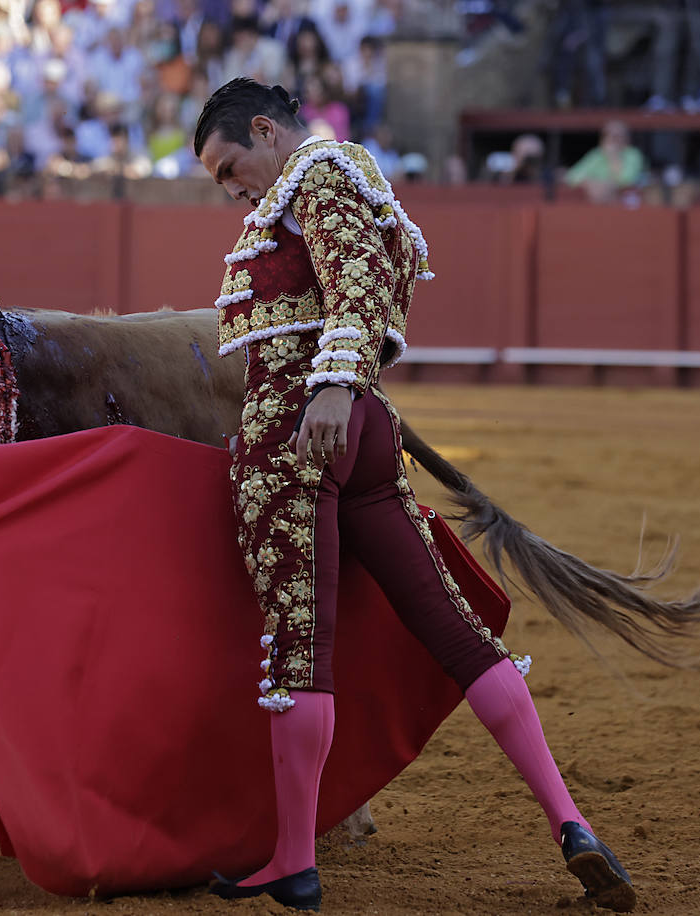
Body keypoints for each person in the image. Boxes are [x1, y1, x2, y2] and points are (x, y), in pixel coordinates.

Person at [193, 77, 636, 913]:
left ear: (265, 129)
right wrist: (346, 389)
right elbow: (363, 289)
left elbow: (355, 284)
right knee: (457, 633)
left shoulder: (317, 176)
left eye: (230, 167)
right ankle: (571, 823)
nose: (232, 188)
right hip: (367, 429)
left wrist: (328, 385)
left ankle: (293, 860)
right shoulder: (351, 179)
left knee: (301, 649)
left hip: (303, 431)